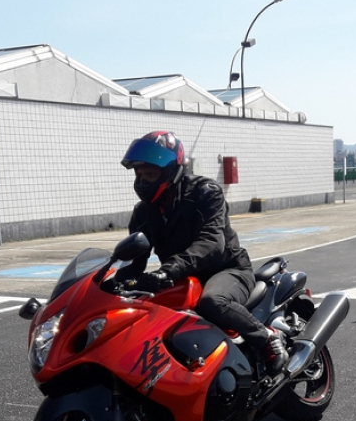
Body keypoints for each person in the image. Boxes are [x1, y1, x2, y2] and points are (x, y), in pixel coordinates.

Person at [120, 130, 287, 373]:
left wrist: (169, 269)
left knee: (213, 301)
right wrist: (109, 281)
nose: (144, 181)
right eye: (140, 175)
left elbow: (212, 242)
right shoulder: (143, 213)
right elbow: (136, 259)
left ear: (169, 172)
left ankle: (267, 338)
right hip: (182, 277)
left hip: (227, 269)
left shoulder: (204, 192)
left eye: (151, 174)